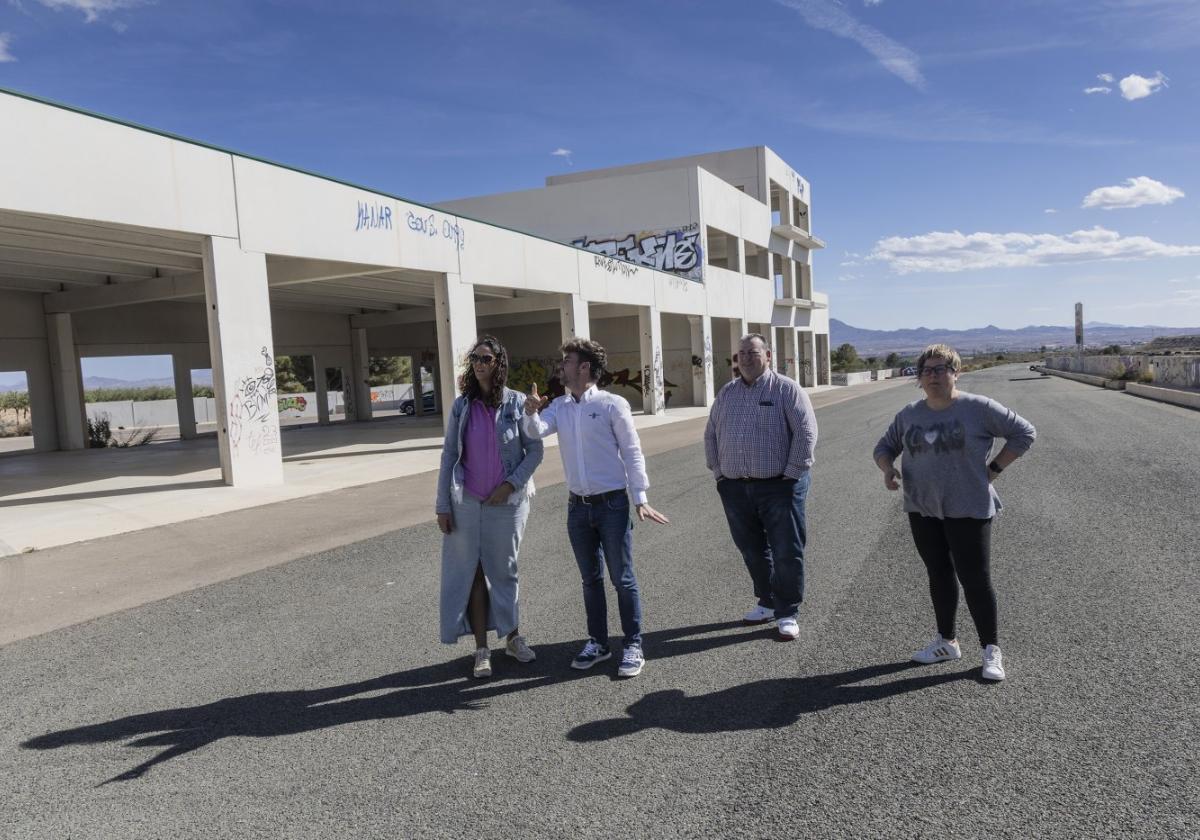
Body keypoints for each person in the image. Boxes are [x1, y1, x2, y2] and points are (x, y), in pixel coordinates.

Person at [873, 343, 1036, 682]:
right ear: (919, 377)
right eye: (927, 370)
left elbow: (1024, 433)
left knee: (975, 580)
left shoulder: (978, 408)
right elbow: (884, 446)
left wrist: (993, 470)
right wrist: (887, 468)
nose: (933, 376)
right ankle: (946, 642)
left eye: (941, 369)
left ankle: (991, 650)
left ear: (956, 373)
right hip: (923, 508)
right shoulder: (909, 414)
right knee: (939, 575)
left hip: (969, 507)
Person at [522, 337, 669, 678]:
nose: (562, 367)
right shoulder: (559, 406)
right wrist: (530, 412)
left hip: (613, 505)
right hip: (578, 508)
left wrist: (640, 497)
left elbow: (632, 452)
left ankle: (632, 644)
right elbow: (537, 431)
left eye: (567, 361)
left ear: (584, 366)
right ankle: (599, 643)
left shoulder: (611, 404)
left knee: (623, 578)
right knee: (590, 580)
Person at [435, 336, 544, 678]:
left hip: (507, 503)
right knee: (472, 573)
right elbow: (450, 455)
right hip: (466, 502)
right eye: (475, 358)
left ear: (499, 362)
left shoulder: (515, 404)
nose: (479, 363)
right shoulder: (462, 405)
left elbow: (536, 451)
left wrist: (511, 484)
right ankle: (482, 649)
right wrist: (443, 504)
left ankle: (512, 637)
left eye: (485, 357)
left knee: (504, 571)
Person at [704, 333, 819, 641]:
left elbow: (806, 434)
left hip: (779, 486)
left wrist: (792, 475)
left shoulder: (786, 389)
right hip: (735, 488)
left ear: (768, 356)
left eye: (753, 353)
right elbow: (711, 434)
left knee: (786, 550)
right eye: (741, 353)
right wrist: (719, 474)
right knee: (752, 549)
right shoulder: (727, 393)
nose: (746, 358)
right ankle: (767, 601)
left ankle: (788, 611)